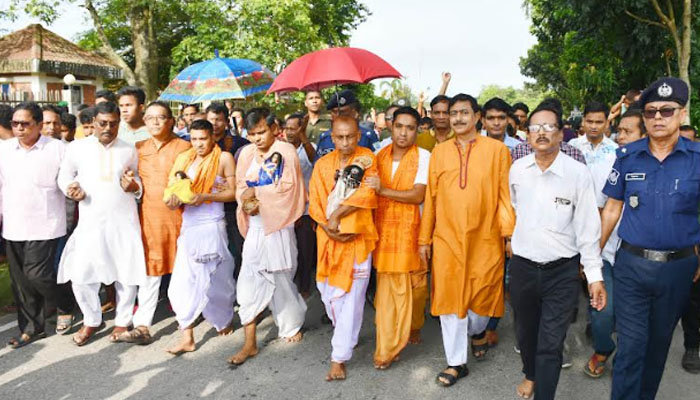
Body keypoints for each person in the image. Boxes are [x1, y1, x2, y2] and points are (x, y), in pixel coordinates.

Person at [600, 77, 700, 399]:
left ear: (682, 114)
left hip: (678, 269)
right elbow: (612, 210)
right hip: (631, 266)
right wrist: (590, 259)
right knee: (631, 347)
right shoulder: (627, 156)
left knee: (658, 348)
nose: (658, 117)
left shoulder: (698, 158)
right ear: (643, 118)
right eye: (651, 111)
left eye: (666, 111)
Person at [509, 102, 606, 400]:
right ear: (527, 135)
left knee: (551, 343)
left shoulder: (577, 173)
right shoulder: (517, 170)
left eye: (549, 127)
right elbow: (514, 209)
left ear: (561, 133)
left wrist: (594, 276)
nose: (541, 133)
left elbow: (588, 227)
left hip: (561, 271)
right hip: (523, 268)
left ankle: (544, 394)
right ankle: (531, 374)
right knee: (526, 335)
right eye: (535, 127)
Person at [418, 93, 515, 387]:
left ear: (477, 117)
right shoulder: (440, 153)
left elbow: (504, 197)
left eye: (464, 112)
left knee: (483, 300)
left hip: (485, 238)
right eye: (453, 113)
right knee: (450, 301)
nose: (458, 118)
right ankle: (456, 362)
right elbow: (431, 199)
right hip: (446, 239)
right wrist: (425, 239)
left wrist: (508, 235)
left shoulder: (497, 152)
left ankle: (476, 332)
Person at [56, 101, 146, 346]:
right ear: (93, 123)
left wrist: (135, 186)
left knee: (127, 273)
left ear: (119, 123)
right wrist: (70, 189)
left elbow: (137, 179)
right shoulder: (77, 148)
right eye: (103, 123)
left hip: (124, 220)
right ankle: (91, 319)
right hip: (91, 220)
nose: (108, 128)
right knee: (82, 274)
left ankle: (122, 320)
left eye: (113, 123)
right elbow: (64, 177)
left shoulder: (129, 149)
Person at [228, 108, 308, 365]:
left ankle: (290, 324)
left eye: (261, 132)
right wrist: (245, 197)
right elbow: (241, 186)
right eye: (252, 134)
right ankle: (249, 343)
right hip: (255, 227)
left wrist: (257, 194)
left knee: (281, 279)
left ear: (274, 128)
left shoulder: (286, 151)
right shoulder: (246, 154)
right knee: (248, 281)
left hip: (279, 225)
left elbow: (287, 190)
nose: (257, 139)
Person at [113, 101, 191, 344]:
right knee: (150, 270)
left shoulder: (185, 147)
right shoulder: (137, 148)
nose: (155, 122)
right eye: (150, 118)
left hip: (182, 216)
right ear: (144, 122)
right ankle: (143, 325)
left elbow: (194, 179)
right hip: (150, 218)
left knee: (185, 269)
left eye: (161, 118)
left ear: (171, 121)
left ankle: (188, 317)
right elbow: (130, 180)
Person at [309, 115, 379, 381]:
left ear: (358, 135)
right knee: (329, 296)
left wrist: (337, 215)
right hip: (327, 239)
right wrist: (327, 227)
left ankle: (339, 358)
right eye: (340, 137)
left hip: (357, 240)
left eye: (351, 136)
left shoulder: (367, 159)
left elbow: (367, 195)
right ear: (332, 137)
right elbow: (314, 198)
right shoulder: (323, 164)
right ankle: (346, 334)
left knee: (350, 301)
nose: (346, 141)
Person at [1, 102, 75, 348]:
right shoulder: (5, 150)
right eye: (15, 124)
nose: (19, 128)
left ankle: (65, 301)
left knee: (37, 274)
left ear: (39, 125)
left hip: (46, 223)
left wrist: (73, 190)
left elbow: (67, 180)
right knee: (21, 282)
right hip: (13, 224)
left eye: (25, 124)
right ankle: (32, 329)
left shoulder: (57, 149)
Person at [584, 108, 647, 379]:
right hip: (608, 254)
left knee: (635, 318)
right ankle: (603, 346)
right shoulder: (608, 163)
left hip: (642, 259)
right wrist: (590, 256)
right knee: (601, 311)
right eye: (619, 130)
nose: (619, 136)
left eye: (627, 131)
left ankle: (629, 362)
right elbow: (599, 210)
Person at [165, 119, 237, 354]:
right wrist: (173, 199)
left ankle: (222, 318)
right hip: (189, 226)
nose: (198, 144)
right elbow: (173, 191)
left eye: (203, 139)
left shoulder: (224, 158)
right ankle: (187, 335)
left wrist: (206, 196)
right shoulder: (184, 160)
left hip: (212, 225)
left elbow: (233, 193)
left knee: (217, 280)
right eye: (193, 139)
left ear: (213, 137)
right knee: (183, 281)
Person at [364, 106, 429, 370]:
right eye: (399, 126)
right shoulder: (378, 155)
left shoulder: (424, 157)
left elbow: (417, 196)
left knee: (416, 289)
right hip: (384, 233)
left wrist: (384, 190)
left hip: (413, 232)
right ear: (390, 125)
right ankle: (388, 347)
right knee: (390, 291)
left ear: (417, 130)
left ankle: (413, 325)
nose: (403, 133)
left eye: (410, 128)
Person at [206, 102, 250, 279]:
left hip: (232, 206)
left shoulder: (240, 143)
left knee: (237, 250)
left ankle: (239, 286)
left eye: (219, 120)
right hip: (208, 205)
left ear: (226, 121)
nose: (215, 124)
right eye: (211, 119)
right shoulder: (199, 143)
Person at [284, 113, 317, 298]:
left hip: (305, 209)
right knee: (289, 251)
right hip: (286, 210)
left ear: (301, 129)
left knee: (305, 251)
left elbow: (315, 160)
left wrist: (304, 138)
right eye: (287, 128)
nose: (289, 132)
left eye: (294, 128)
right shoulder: (280, 150)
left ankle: (304, 288)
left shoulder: (309, 148)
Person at [316, 89, 380, 158]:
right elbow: (317, 164)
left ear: (354, 112)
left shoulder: (367, 136)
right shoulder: (325, 137)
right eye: (334, 112)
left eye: (342, 112)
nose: (338, 115)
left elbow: (378, 161)